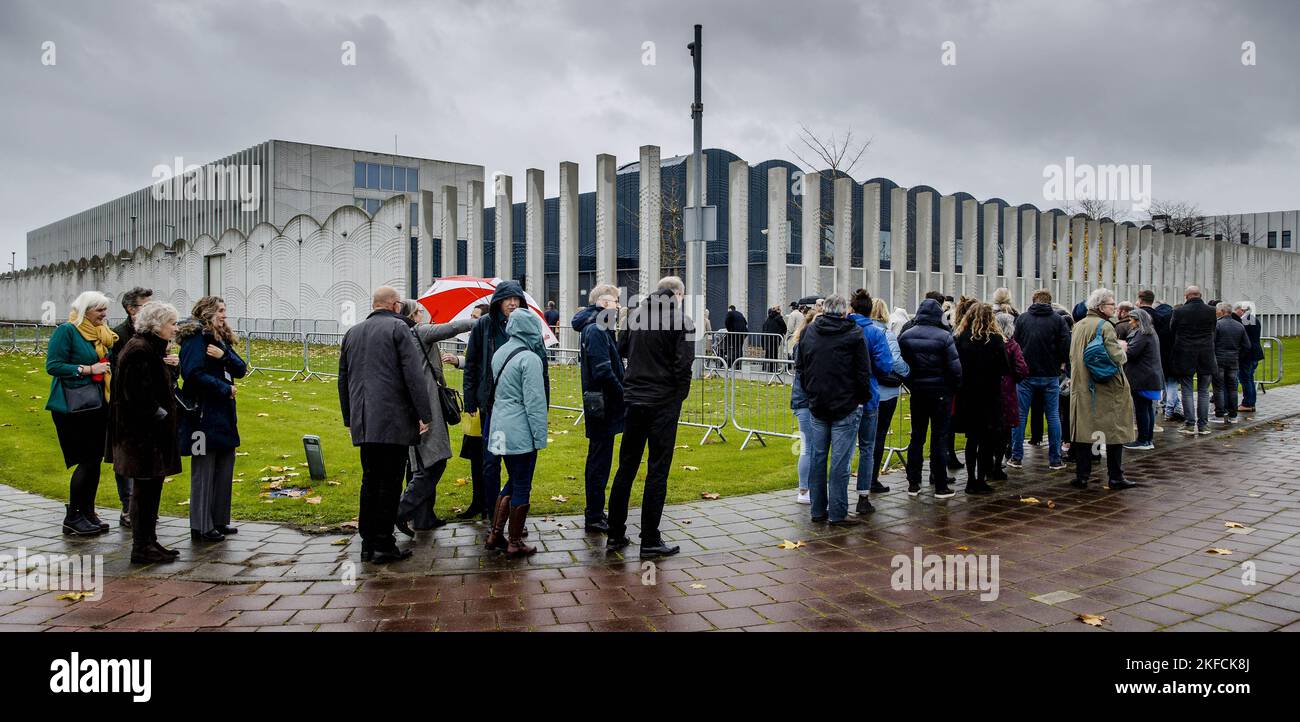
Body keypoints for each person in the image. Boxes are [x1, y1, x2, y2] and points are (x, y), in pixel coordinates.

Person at [338, 286, 432, 564]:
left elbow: (342, 379)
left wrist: (349, 416)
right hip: (393, 420)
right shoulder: (398, 330)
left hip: (364, 421)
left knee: (370, 480)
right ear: (394, 305)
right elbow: (413, 376)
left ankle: (368, 543)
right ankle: (384, 543)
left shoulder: (352, 333)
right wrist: (424, 414)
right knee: (390, 484)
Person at [606, 277, 694, 557]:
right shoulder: (681, 320)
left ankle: (616, 533)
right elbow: (684, 364)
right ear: (677, 294)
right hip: (662, 400)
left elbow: (621, 350)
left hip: (634, 398)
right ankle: (650, 539)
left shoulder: (636, 315)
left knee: (626, 466)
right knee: (658, 469)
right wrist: (679, 394)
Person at [463, 281, 548, 535]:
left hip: (518, 411)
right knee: (490, 464)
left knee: (516, 467)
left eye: (517, 299)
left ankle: (510, 523)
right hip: (491, 406)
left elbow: (541, 371)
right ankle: (493, 517)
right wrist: (470, 400)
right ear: (498, 301)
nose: (512, 303)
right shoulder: (483, 326)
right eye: (507, 298)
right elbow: (472, 364)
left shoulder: (528, 328)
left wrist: (543, 408)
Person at [108, 301, 182, 564]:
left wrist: (172, 368)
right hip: (141, 436)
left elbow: (160, 384)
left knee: (152, 488)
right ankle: (141, 545)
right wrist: (159, 416)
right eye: (171, 323)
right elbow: (136, 395)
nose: (175, 328)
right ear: (157, 325)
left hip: (150, 435)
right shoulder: (140, 349)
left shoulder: (151, 348)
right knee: (144, 489)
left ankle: (149, 541)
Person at [395, 300, 475, 536]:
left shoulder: (400, 335)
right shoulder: (419, 331)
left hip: (409, 404)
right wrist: (478, 322)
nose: (424, 314)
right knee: (434, 461)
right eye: (421, 311)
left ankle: (423, 517)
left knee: (420, 461)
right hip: (427, 405)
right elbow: (451, 328)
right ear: (414, 314)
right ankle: (400, 511)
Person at [45, 291, 117, 536]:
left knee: (95, 460)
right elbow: (53, 366)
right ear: (86, 311)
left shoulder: (100, 335)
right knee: (86, 460)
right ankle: (73, 516)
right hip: (73, 407)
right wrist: (87, 368)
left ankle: (88, 511)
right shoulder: (67, 331)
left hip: (96, 403)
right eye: (99, 310)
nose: (104, 315)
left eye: (105, 310)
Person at [177, 296, 247, 542]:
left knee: (224, 466)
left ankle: (219, 519)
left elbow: (241, 368)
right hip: (202, 414)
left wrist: (223, 356)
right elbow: (192, 374)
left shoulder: (220, 339)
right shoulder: (195, 338)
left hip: (224, 414)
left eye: (225, 310)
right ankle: (201, 525)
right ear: (207, 313)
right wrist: (223, 388)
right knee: (203, 470)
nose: (224, 315)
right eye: (220, 311)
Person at [794, 294, 869, 524]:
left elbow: (801, 367)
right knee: (839, 462)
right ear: (844, 311)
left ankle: (818, 510)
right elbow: (862, 371)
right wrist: (861, 399)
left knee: (819, 457)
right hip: (844, 405)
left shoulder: (810, 332)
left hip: (819, 403)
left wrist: (812, 392)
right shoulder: (854, 334)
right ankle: (836, 512)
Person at [482, 311, 549, 556]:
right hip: (519, 429)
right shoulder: (530, 359)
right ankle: (515, 541)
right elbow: (534, 402)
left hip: (499, 424)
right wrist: (539, 436)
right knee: (521, 483)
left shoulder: (501, 351)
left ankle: (495, 535)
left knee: (510, 480)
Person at [1068, 288, 1136, 490]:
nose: (1114, 308)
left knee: (1084, 432)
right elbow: (1118, 357)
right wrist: (1123, 348)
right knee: (1114, 431)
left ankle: (1082, 476)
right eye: (1111, 305)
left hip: (1082, 385)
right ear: (1100, 307)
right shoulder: (1105, 326)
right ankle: (1115, 476)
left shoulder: (1078, 325)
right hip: (1106, 386)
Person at [572, 284, 624, 533]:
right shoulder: (595, 330)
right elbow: (603, 370)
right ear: (604, 303)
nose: (619, 306)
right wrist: (623, 394)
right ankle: (593, 514)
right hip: (602, 404)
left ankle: (595, 512)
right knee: (599, 462)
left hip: (603, 402)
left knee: (601, 460)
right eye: (616, 301)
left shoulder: (599, 328)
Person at [897, 298, 962, 498]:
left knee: (917, 436)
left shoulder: (906, 336)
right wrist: (952, 387)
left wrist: (911, 383)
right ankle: (940, 483)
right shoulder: (944, 336)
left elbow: (901, 366)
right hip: (940, 392)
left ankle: (913, 482)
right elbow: (955, 368)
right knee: (939, 437)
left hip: (918, 391)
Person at [107, 286, 160, 527]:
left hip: (151, 405)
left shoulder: (155, 335)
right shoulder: (119, 335)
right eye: (145, 305)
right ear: (131, 309)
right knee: (126, 457)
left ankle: (143, 507)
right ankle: (128, 507)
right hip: (126, 407)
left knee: (147, 457)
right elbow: (118, 374)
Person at [1009, 289, 1070, 470]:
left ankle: (1016, 456)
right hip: (1050, 374)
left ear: (1034, 300)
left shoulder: (1022, 319)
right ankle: (1055, 459)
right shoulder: (1058, 320)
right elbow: (1066, 346)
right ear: (1050, 302)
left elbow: (1015, 344)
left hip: (1026, 374)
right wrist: (1062, 364)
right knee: (1053, 416)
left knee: (1020, 416)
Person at [953, 304, 1010, 494]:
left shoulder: (960, 338)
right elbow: (1005, 367)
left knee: (973, 438)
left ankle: (971, 479)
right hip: (989, 395)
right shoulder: (994, 340)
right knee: (986, 439)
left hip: (967, 395)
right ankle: (980, 478)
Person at [442, 303, 491, 519]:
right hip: (475, 407)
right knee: (476, 458)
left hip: (484, 406)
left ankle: (485, 502)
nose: (471, 321)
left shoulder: (487, 339)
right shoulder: (476, 339)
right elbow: (473, 364)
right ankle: (479, 501)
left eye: (475, 317)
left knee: (484, 458)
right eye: (470, 317)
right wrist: (458, 360)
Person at [846, 289, 894, 513]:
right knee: (867, 446)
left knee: (843, 447)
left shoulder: (844, 328)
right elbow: (885, 366)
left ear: (853, 308)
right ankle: (862, 495)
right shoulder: (874, 333)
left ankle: (838, 495)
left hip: (846, 394)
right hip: (868, 393)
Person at [868, 297, 909, 492]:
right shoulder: (886, 334)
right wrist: (907, 371)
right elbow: (895, 362)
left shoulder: (864, 332)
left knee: (869, 437)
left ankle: (868, 477)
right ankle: (872, 478)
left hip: (869, 389)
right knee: (879, 435)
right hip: (885, 392)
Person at [1169, 285, 1218, 435]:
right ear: (1200, 295)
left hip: (1185, 352)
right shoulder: (1211, 311)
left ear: (1187, 296)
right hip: (1206, 353)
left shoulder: (1179, 311)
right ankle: (1203, 425)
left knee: (1187, 390)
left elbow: (1173, 329)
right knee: (1204, 390)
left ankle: (1190, 424)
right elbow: (1213, 329)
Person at [789, 306, 820, 504]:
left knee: (811, 447)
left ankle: (807, 488)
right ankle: (804, 489)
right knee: (808, 447)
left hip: (805, 399)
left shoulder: (801, 345)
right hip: (806, 400)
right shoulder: (805, 346)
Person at [993, 312, 1029, 479]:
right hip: (1007, 388)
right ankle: (997, 464)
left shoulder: (988, 342)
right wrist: (1013, 377)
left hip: (990, 388)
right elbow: (1022, 369)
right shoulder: (1012, 345)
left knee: (989, 428)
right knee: (1005, 427)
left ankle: (988, 463)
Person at [1122, 308, 1162, 451]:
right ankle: (1147, 439)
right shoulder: (1150, 332)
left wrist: (1122, 347)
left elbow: (1132, 353)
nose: (1130, 322)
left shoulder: (1142, 334)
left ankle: (1143, 440)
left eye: (1132, 319)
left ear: (1139, 321)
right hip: (1149, 376)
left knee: (1141, 409)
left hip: (1141, 377)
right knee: (1147, 408)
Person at [1211, 302, 1250, 424]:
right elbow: (1247, 345)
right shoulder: (1239, 326)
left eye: (1217, 311)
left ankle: (1220, 414)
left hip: (1219, 359)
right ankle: (1233, 415)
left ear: (1222, 312)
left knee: (1219, 387)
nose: (1216, 313)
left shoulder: (1217, 325)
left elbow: (1212, 343)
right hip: (1233, 360)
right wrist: (1238, 355)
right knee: (1233, 388)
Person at [1146, 292, 1181, 422]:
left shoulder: (1155, 318)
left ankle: (1169, 408)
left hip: (1160, 355)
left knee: (1164, 383)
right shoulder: (1174, 317)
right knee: (1172, 383)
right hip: (1175, 354)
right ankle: (1171, 408)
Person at [1234, 302, 1264, 412]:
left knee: (1246, 379)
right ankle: (1250, 403)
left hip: (1248, 354)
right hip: (1253, 353)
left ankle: (1248, 403)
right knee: (1248, 378)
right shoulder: (1251, 318)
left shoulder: (1247, 319)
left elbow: (1245, 337)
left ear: (1241, 310)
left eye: (1236, 310)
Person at [761, 305, 788, 369]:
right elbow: (784, 328)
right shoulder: (778, 318)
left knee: (768, 353)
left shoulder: (768, 318)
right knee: (774, 353)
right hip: (775, 339)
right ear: (778, 311)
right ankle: (772, 368)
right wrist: (781, 333)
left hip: (768, 338)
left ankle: (765, 367)